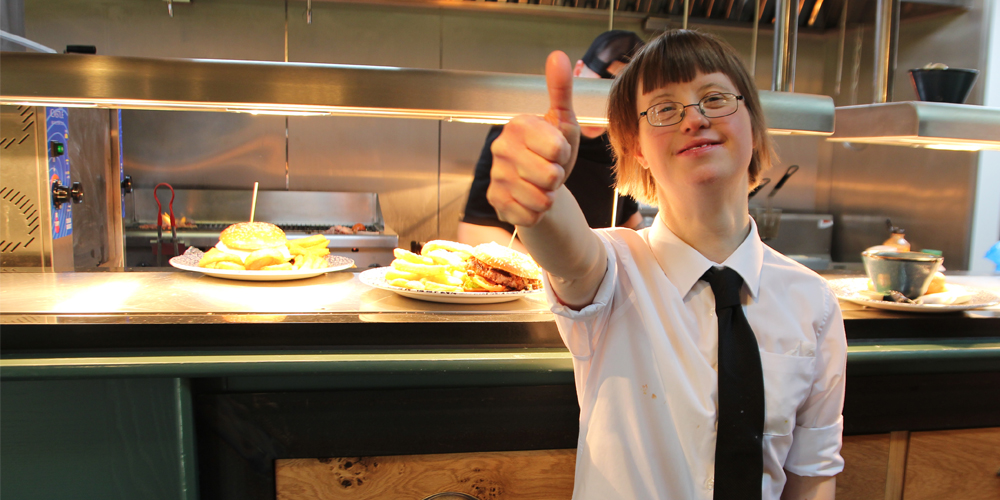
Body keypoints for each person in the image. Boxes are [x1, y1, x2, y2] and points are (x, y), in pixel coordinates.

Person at [487, 29, 846, 500]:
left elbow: (813, 475)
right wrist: (540, 200)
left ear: (754, 126)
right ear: (636, 147)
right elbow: (571, 256)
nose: (694, 118)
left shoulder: (812, 303)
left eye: (715, 98)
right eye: (664, 108)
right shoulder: (615, 270)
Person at [459, 30, 646, 253]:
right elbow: (474, 230)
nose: (606, 104)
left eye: (621, 95)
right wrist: (553, 278)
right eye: (600, 84)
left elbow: (629, 221)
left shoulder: (618, 144)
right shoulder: (526, 131)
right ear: (577, 71)